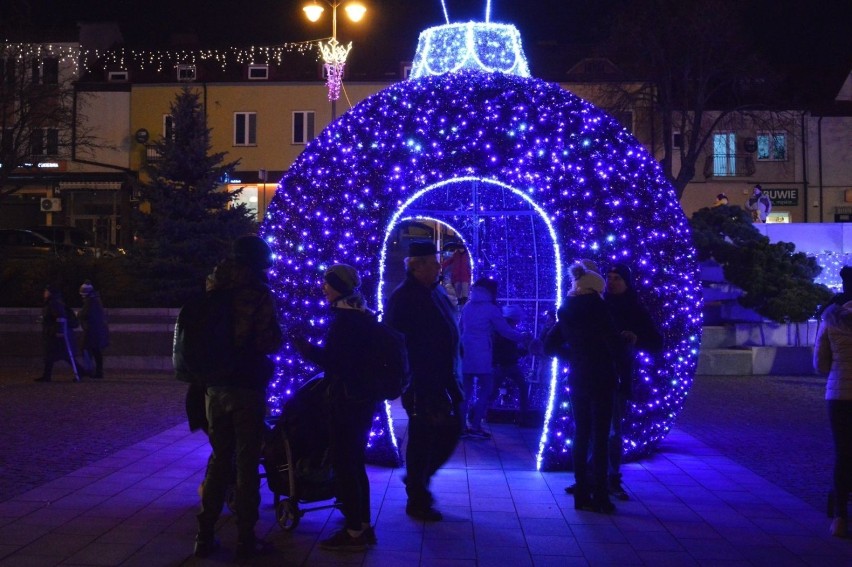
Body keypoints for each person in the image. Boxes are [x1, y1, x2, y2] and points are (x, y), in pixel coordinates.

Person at [193, 235, 283, 561]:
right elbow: (267, 341)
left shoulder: (213, 287)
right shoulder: (257, 295)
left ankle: (204, 535)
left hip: (215, 387)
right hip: (246, 386)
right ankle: (246, 538)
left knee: (219, 458)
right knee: (246, 463)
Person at [292, 264, 378, 551]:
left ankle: (353, 532)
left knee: (344, 463)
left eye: (328, 283)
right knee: (355, 463)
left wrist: (307, 350)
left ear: (340, 286)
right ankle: (363, 525)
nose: (323, 287)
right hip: (364, 400)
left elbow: (336, 362)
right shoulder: (363, 314)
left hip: (346, 401)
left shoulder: (344, 320)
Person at [385, 241, 463, 521]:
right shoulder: (405, 296)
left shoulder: (432, 291)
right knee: (424, 435)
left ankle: (418, 480)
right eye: (432, 262)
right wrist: (409, 377)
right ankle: (417, 495)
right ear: (415, 266)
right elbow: (397, 341)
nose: (437, 266)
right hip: (421, 380)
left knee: (448, 430)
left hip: (442, 377)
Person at [547, 262, 625, 513]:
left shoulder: (566, 309)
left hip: (578, 377)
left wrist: (574, 356)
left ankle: (581, 493)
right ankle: (600, 496)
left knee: (581, 434)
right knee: (600, 438)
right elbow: (615, 344)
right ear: (595, 288)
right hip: (602, 376)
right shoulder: (599, 308)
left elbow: (549, 345)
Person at [602, 264, 663, 500]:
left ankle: (612, 478)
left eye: (617, 278)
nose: (612, 282)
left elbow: (656, 341)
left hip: (618, 376)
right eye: (609, 277)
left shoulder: (635, 308)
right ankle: (591, 476)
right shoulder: (600, 304)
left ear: (626, 282)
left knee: (614, 431)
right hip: (597, 372)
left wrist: (636, 339)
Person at [460, 277, 527, 438]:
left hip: (465, 351)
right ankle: (476, 426)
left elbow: (460, 327)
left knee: (465, 392)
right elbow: (505, 331)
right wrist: (523, 337)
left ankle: (461, 427)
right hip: (482, 352)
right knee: (486, 389)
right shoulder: (491, 308)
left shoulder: (468, 306)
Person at [814, 301, 852, 538]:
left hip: (839, 395)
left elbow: (820, 364)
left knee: (844, 454)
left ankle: (840, 518)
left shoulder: (831, 320)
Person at [492, 305, 539, 427]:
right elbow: (506, 350)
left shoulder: (506, 330)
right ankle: (523, 418)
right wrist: (523, 350)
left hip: (508, 365)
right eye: (518, 319)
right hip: (504, 365)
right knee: (493, 392)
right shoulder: (507, 331)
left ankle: (523, 418)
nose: (519, 322)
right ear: (513, 319)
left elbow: (509, 350)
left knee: (494, 391)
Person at [35, 284, 80, 382]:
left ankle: (80, 371)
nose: (44, 293)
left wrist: (59, 330)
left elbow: (60, 317)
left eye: (46, 291)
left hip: (54, 333)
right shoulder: (52, 303)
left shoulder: (53, 303)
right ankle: (47, 375)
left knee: (56, 354)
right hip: (52, 332)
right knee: (54, 355)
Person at [78, 280, 109, 379]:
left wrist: (78, 314)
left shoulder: (90, 301)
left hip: (91, 330)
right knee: (96, 350)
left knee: (85, 348)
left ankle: (89, 369)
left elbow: (84, 314)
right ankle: (98, 371)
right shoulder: (95, 299)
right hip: (97, 329)